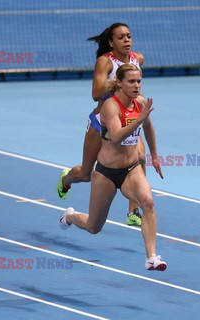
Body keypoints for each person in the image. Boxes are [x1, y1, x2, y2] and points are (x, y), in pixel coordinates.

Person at [59, 64, 167, 271]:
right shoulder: (111, 106)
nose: (136, 86)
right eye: (131, 81)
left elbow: (149, 127)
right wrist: (139, 119)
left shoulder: (140, 102)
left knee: (148, 202)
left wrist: (154, 156)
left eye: (139, 81)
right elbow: (117, 137)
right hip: (106, 173)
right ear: (120, 83)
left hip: (131, 170)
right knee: (93, 227)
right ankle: (70, 216)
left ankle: (152, 257)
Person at [57, 22, 146, 227]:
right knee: (85, 174)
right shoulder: (105, 62)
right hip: (100, 124)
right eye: (121, 37)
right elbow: (96, 94)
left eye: (129, 36)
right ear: (111, 42)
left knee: (140, 157)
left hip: (126, 121)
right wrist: (117, 84)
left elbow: (135, 87)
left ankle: (133, 211)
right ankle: (66, 180)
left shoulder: (137, 59)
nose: (127, 40)